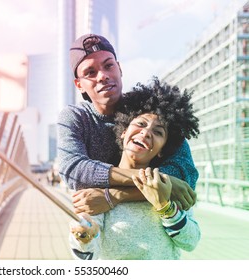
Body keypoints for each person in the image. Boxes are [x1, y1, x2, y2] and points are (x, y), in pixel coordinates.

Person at [57, 34, 198, 214]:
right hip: (97, 229)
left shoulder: (147, 109)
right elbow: (73, 170)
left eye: (109, 66)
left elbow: (185, 173)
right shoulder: (75, 117)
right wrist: (164, 182)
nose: (102, 76)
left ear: (119, 68)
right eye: (90, 73)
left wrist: (114, 196)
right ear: (79, 85)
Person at [69, 77, 201, 259]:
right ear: (123, 131)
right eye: (140, 124)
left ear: (163, 150)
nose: (146, 133)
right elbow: (86, 256)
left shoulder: (169, 190)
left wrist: (165, 208)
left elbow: (191, 242)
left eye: (158, 132)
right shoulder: (95, 190)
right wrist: (83, 238)